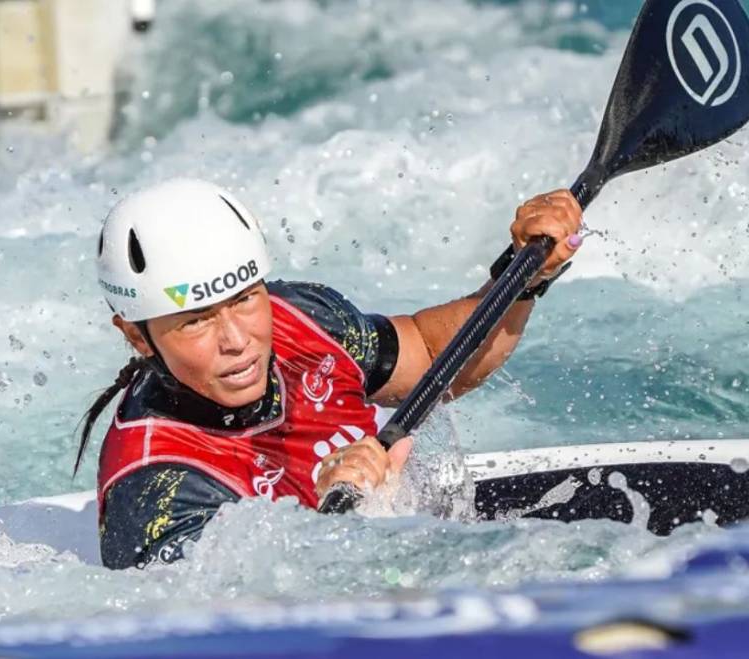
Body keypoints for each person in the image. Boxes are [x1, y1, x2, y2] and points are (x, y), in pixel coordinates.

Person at [75, 178, 582, 569]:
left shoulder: (301, 319)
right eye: (196, 320)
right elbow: (242, 627)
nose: (237, 339)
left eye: (244, 299)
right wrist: (329, 520)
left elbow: (432, 355)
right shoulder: (154, 491)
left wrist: (522, 276)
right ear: (138, 337)